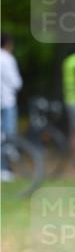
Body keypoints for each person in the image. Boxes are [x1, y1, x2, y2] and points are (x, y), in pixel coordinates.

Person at [1, 32, 23, 181]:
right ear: (8, 43)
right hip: (8, 101)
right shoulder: (8, 59)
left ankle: (3, 169)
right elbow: (16, 83)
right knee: (9, 136)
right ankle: (7, 167)